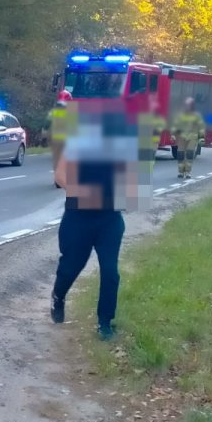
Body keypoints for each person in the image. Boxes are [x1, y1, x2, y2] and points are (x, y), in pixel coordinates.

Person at [51, 111, 132, 341]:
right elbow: (59, 175)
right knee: (70, 267)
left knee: (110, 272)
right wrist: (78, 191)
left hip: (109, 220)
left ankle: (105, 323)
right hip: (78, 218)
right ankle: (58, 296)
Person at [171, 97, 206, 179]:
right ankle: (180, 172)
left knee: (190, 154)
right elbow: (175, 126)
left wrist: (201, 137)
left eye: (189, 105)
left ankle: (188, 172)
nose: (187, 106)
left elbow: (201, 127)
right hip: (182, 137)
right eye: (186, 105)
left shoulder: (196, 116)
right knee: (180, 154)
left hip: (192, 137)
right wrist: (173, 135)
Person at [45, 91, 71, 188]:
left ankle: (58, 179)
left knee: (57, 158)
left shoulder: (54, 111)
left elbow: (47, 124)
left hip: (55, 139)